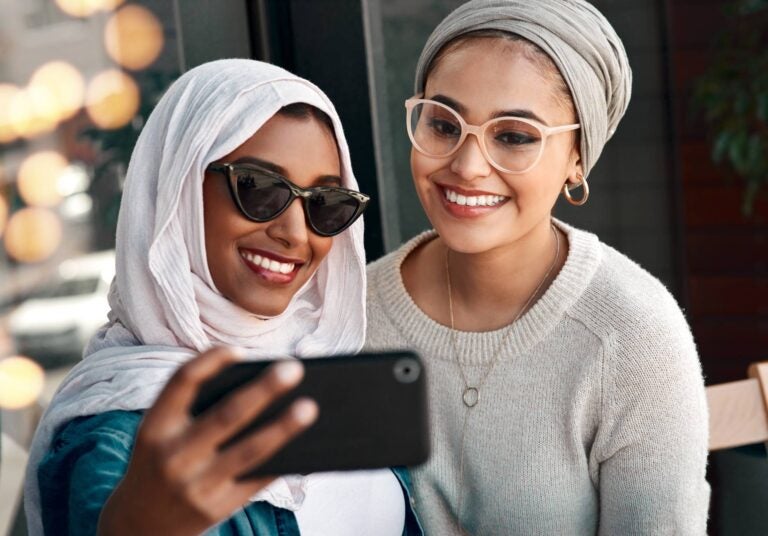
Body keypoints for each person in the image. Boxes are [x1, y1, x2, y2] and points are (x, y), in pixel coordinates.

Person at [25, 59, 422, 536]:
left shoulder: (324, 373)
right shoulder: (117, 443)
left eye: (325, 203)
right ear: (179, 189)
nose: (295, 233)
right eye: (258, 188)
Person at [364, 1, 709, 534]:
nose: (467, 165)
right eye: (443, 123)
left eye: (514, 136)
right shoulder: (350, 314)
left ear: (578, 158)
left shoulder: (633, 335)